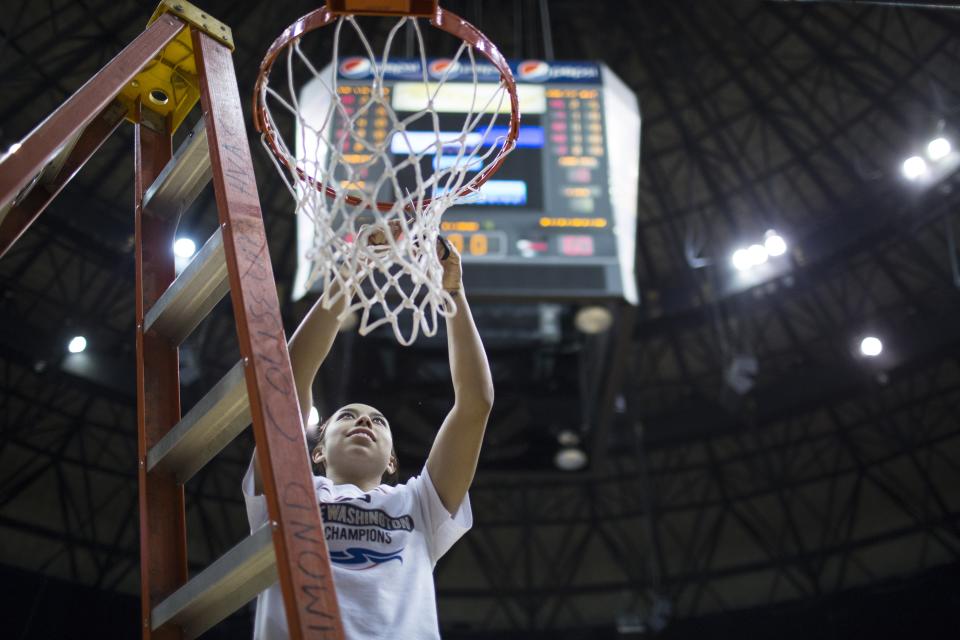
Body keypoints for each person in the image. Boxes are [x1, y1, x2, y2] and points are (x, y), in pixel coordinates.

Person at [242, 225, 494, 639]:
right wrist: (352, 268)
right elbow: (287, 381)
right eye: (347, 416)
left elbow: (475, 405)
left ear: (393, 459)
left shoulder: (419, 503)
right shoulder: (290, 488)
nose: (363, 421)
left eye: (377, 420)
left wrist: (454, 294)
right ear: (317, 452)